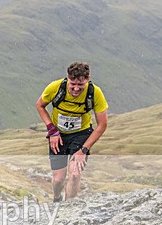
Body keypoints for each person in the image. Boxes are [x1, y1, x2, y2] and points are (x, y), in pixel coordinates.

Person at [36, 62, 108, 202]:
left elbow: (102, 125)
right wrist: (52, 131)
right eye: (72, 84)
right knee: (58, 179)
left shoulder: (95, 93)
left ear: (87, 79)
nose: (76, 89)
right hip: (59, 135)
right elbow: (40, 105)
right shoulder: (55, 87)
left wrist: (83, 150)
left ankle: (69, 208)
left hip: (82, 134)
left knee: (75, 173)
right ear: (67, 78)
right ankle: (57, 198)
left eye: (80, 85)